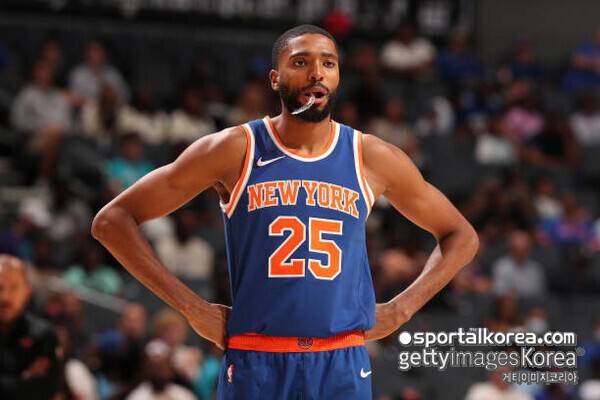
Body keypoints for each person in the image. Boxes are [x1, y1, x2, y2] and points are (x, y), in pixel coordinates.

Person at [92, 25, 478, 399]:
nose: (316, 72)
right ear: (275, 79)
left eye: (328, 63)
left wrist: (402, 309)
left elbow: (461, 236)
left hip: (340, 360)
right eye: (301, 62)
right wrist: (193, 310)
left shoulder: (370, 156)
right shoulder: (235, 149)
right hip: (257, 359)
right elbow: (112, 221)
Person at [0, 254, 63, 399]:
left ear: (27, 292)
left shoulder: (44, 335)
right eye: (0, 287)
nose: (5, 297)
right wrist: (21, 383)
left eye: (14, 287)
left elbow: (46, 389)